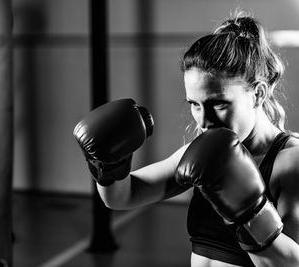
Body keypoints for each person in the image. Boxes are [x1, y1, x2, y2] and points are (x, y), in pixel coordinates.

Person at [73, 11, 299, 267]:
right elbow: (122, 197)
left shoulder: (290, 162)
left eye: (219, 104)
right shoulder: (202, 152)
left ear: (258, 94)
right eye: (195, 104)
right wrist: (109, 166)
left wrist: (248, 212)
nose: (203, 121)